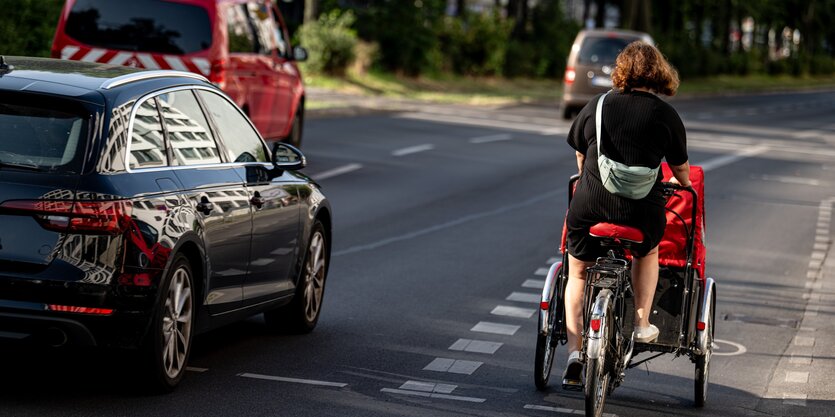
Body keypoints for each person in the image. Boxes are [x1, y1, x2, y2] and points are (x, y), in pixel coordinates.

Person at [561, 41, 692, 387]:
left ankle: (575, 351)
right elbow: (681, 173)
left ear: (621, 71)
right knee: (648, 250)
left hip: (589, 206)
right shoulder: (665, 115)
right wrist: (682, 180)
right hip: (640, 212)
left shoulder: (597, 105)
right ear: (659, 73)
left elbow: (580, 156)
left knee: (576, 272)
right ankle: (641, 323)